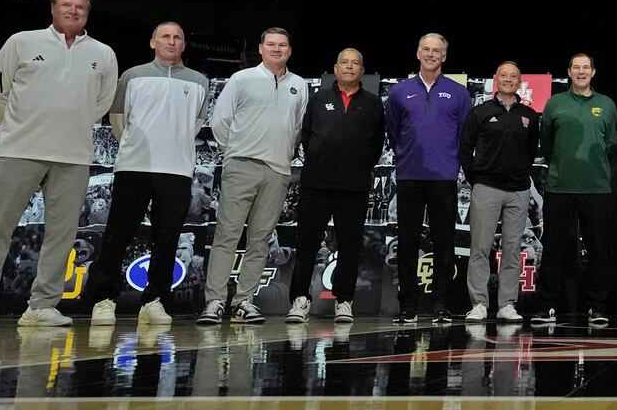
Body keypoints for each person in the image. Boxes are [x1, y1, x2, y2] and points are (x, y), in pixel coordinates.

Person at [0, 0, 118, 329]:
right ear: (53, 8)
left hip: (73, 155)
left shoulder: (103, 53)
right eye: (66, 5)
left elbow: (102, 103)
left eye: (80, 7)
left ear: (88, 13)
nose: (73, 11)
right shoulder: (21, 41)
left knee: (61, 234)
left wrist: (70, 124)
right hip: (19, 149)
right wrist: (19, 126)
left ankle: (42, 306)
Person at [80, 22, 210, 327]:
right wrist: (137, 147)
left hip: (176, 170)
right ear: (153, 42)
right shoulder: (132, 75)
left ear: (183, 45)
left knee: (166, 239)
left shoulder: (198, 82)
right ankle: (103, 299)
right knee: (117, 234)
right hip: (133, 166)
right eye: (166, 36)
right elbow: (118, 120)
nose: (172, 41)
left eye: (178, 37)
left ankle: (155, 300)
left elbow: (196, 122)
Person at [198, 28, 307, 325]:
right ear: (260, 49)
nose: (276, 49)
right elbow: (220, 120)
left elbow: (297, 128)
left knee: (261, 239)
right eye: (270, 44)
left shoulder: (298, 85)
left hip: (278, 170)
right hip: (241, 165)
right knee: (227, 235)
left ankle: (244, 300)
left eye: (282, 45)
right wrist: (235, 150)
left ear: (289, 50)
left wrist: (283, 155)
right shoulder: (242, 78)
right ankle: (215, 301)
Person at [286, 48, 384, 326]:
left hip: (354, 185)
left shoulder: (374, 104)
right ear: (335, 68)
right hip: (316, 183)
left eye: (356, 63)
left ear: (362, 70)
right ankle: (300, 299)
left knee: (350, 245)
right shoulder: (317, 100)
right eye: (345, 62)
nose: (350, 67)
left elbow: (376, 145)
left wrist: (359, 166)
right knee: (306, 244)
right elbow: (306, 137)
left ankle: (344, 300)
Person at [385, 33, 471, 324]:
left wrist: (452, 164)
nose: (431, 54)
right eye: (426, 49)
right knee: (408, 242)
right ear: (418, 53)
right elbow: (394, 133)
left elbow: (464, 136)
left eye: (437, 51)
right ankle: (408, 305)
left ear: (444, 56)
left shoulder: (458, 93)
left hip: (444, 178)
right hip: (409, 176)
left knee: (443, 243)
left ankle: (441, 304)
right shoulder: (400, 91)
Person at [533, 54, 617, 326]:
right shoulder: (555, 103)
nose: (581, 72)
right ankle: (547, 305)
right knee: (554, 247)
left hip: (596, 188)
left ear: (593, 72)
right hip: (560, 186)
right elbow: (546, 142)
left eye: (586, 67)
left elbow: (612, 144)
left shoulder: (606, 104)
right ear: (569, 72)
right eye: (576, 67)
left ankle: (597, 306)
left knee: (598, 249)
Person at [459, 61, 540, 325]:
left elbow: (530, 153)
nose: (508, 79)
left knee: (513, 249)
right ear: (496, 80)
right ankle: (479, 303)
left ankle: (507, 303)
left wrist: (518, 175)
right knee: (480, 247)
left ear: (519, 82)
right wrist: (478, 178)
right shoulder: (480, 112)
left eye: (513, 76)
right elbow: (465, 149)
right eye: (503, 75)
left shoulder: (529, 114)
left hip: (518, 191)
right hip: (487, 188)